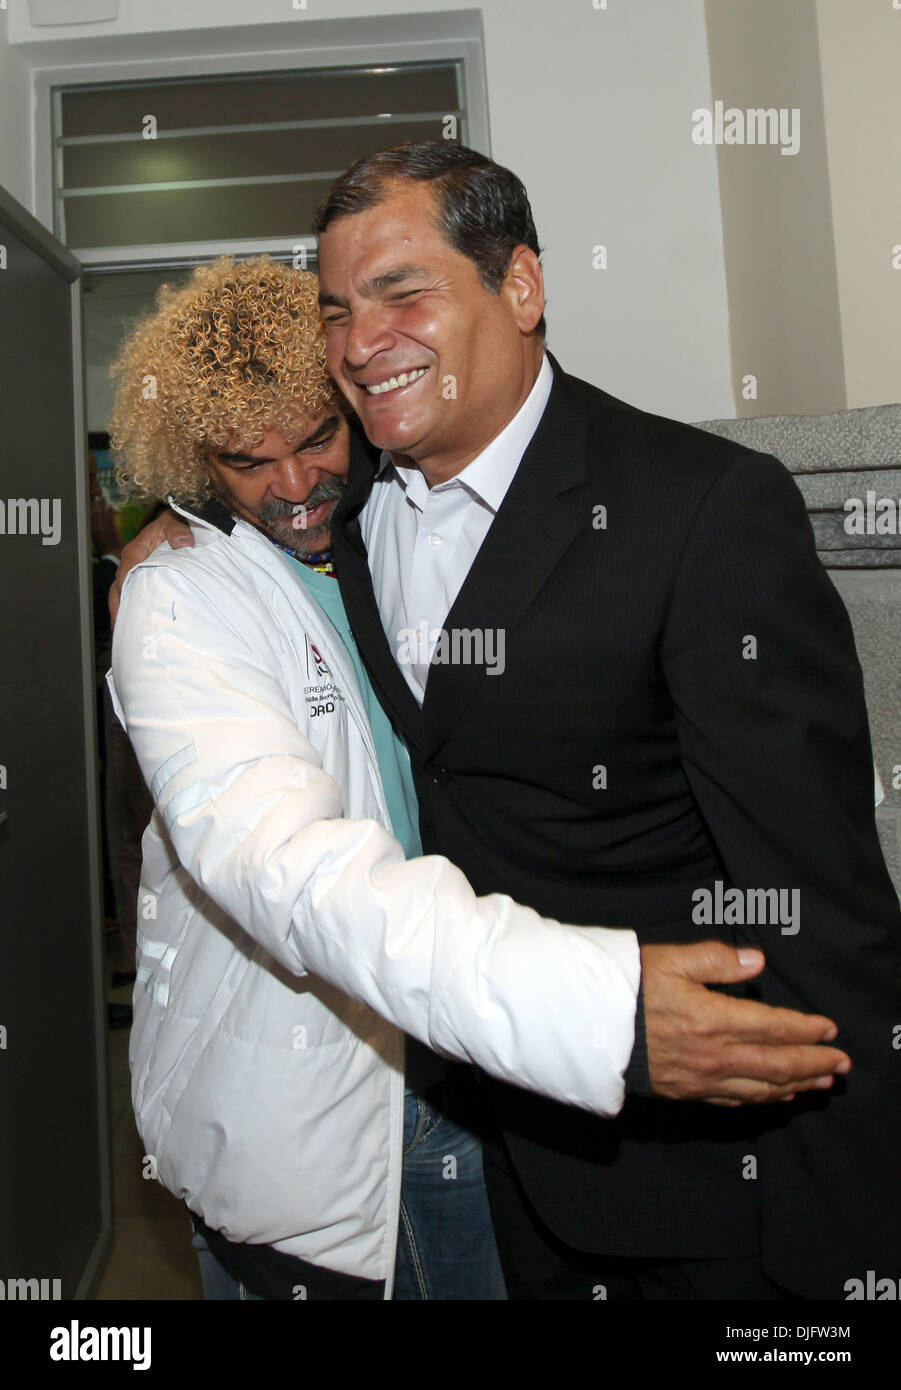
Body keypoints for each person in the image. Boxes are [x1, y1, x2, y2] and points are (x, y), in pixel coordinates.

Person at [107, 256, 846, 1303]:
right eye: (242, 460)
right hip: (305, 1099)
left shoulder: (380, 529)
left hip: (466, 1070)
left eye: (315, 436)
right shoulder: (181, 602)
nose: (292, 483)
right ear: (189, 458)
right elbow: (284, 863)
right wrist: (597, 1011)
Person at [305, 139, 901, 1300]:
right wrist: (167, 531)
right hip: (456, 1145)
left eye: (401, 294)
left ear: (520, 286)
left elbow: (822, 907)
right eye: (336, 313)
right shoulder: (350, 508)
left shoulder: (701, 512)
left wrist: (854, 1265)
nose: (361, 345)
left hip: (675, 1180)